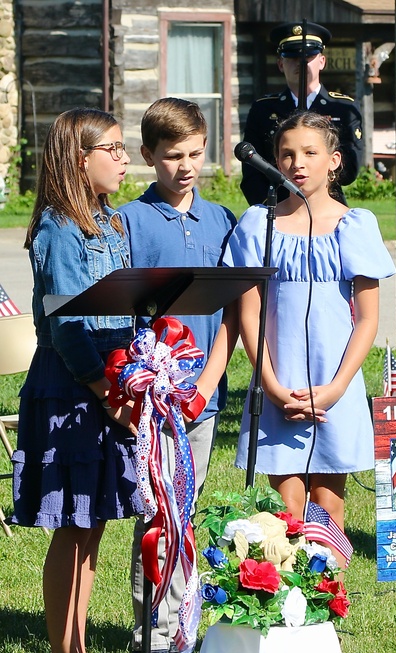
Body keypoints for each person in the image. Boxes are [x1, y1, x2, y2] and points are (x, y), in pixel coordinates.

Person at [225, 112, 394, 563]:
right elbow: (249, 312)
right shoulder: (258, 226)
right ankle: (281, 612)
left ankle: (324, 613)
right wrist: (272, 387)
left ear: (334, 161)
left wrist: (337, 387)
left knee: (327, 508)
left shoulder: (353, 225)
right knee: (286, 512)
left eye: (310, 153)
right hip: (280, 384)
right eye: (286, 154)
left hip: (333, 386)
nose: (297, 163)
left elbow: (367, 320)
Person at [13, 108, 139, 653]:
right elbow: (66, 322)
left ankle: (78, 641)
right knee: (72, 521)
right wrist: (105, 391)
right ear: (78, 158)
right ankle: (65, 646)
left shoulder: (109, 220)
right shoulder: (59, 229)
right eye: (112, 148)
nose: (124, 157)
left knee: (93, 525)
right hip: (75, 386)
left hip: (113, 383)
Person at [119, 97, 239, 653]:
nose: (186, 166)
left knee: (187, 511)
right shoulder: (128, 222)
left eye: (195, 152)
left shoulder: (221, 220)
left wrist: (210, 383)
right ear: (148, 156)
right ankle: (155, 631)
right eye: (172, 156)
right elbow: (118, 312)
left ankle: (184, 626)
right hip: (151, 400)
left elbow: (236, 311)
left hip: (202, 396)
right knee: (156, 514)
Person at [240, 20, 363, 206]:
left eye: (309, 57)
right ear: (280, 64)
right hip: (277, 207)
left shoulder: (342, 108)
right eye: (293, 58)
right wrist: (270, 207)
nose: (301, 63)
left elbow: (349, 170)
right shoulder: (263, 109)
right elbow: (252, 172)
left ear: (322, 61)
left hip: (327, 207)